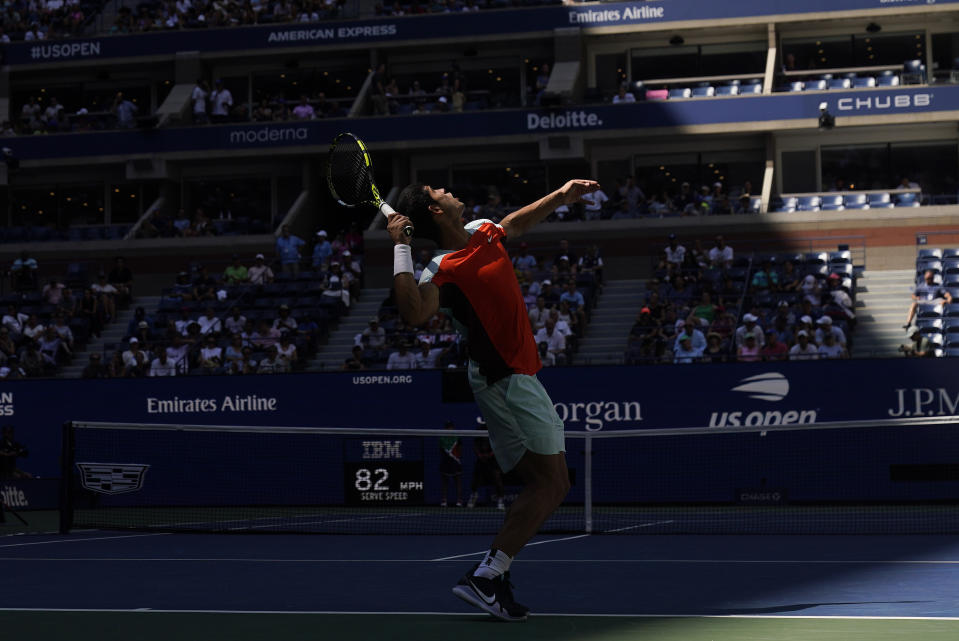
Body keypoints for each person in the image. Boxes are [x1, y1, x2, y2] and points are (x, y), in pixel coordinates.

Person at [391, 177, 598, 621]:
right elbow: (414, 313)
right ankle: (487, 575)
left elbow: (512, 224)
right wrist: (400, 248)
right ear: (434, 210)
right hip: (505, 378)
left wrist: (560, 196)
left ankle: (492, 576)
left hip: (517, 374)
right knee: (554, 483)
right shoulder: (443, 267)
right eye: (438, 190)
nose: (448, 190)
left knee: (543, 482)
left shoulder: (484, 230)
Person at [468, 417, 505, 510]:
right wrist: (479, 454)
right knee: (475, 480)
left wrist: (491, 454)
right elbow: (475, 445)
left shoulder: (495, 430)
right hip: (481, 458)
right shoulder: (479, 430)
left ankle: (500, 500)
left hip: (492, 459)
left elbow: (499, 444)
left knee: (497, 479)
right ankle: (474, 496)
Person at [439, 420, 463, 507]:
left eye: (451, 427)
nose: (449, 428)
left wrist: (456, 458)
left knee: (458, 482)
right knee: (445, 482)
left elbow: (460, 450)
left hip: (456, 462)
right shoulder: (442, 438)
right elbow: (441, 451)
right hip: (446, 462)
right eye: (448, 427)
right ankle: (444, 500)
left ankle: (459, 500)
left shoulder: (457, 437)